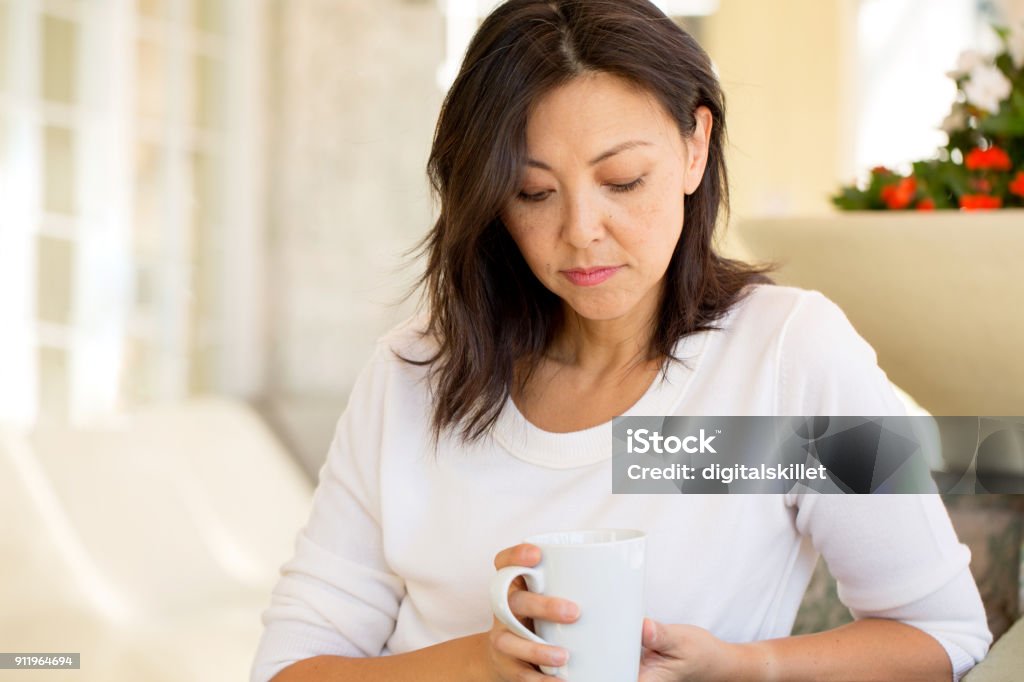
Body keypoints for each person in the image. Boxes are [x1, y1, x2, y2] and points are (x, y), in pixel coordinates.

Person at [251, 1, 992, 680]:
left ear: (695, 147)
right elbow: (288, 669)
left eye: (624, 179)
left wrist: (745, 666)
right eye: (533, 192)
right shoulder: (411, 371)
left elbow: (944, 635)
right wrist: (479, 664)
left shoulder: (796, 353)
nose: (580, 231)